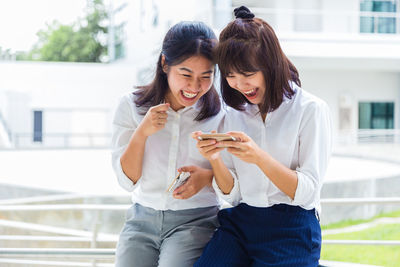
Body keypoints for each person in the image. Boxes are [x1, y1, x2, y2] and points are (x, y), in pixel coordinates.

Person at [193, 6, 332, 267]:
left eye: (247, 75)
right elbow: (232, 195)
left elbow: (307, 192)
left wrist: (259, 158)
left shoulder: (311, 110)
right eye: (231, 76)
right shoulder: (234, 113)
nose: (239, 85)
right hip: (241, 223)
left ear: (270, 64)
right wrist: (214, 159)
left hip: (292, 226)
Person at [111, 21, 224, 267]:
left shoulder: (222, 114)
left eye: (206, 76)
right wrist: (142, 133)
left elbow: (238, 177)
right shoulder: (131, 106)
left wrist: (207, 176)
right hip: (141, 219)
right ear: (164, 64)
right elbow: (126, 181)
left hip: (196, 221)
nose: (195, 87)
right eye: (186, 74)